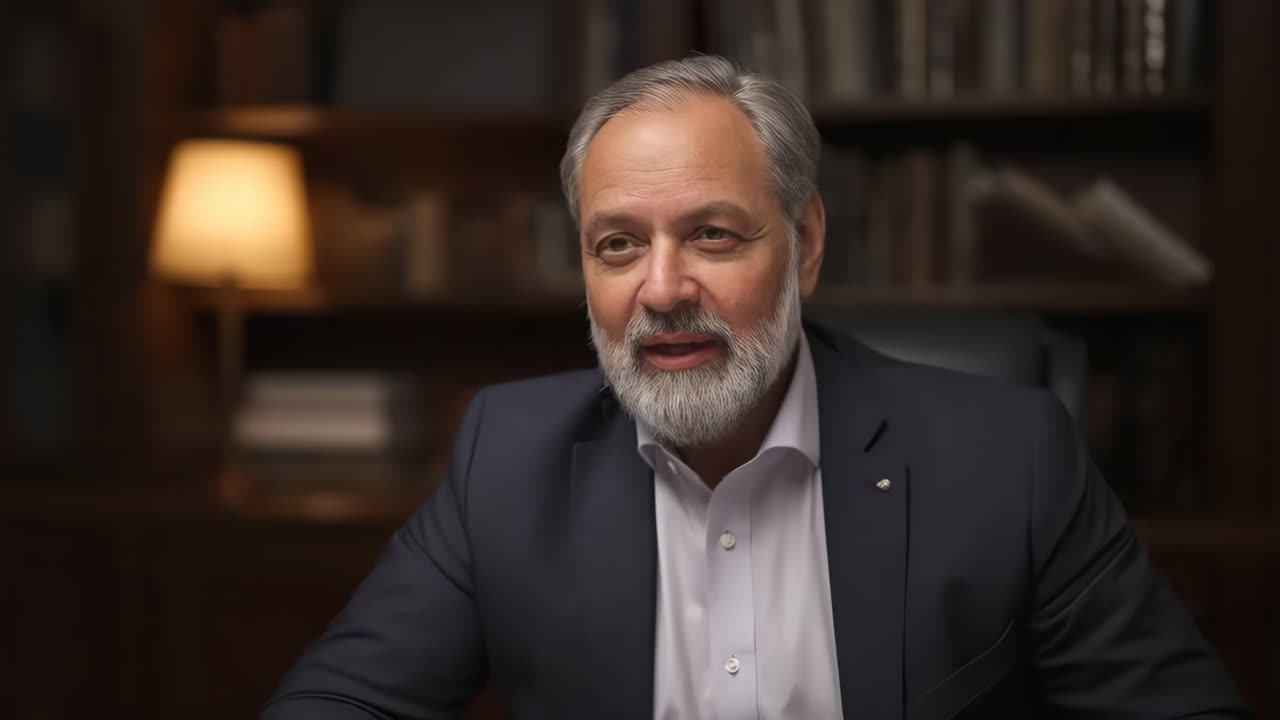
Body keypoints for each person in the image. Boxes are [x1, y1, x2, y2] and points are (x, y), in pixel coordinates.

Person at [263, 56, 1249, 719]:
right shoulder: (507, 459)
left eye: (711, 235)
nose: (660, 289)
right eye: (617, 246)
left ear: (804, 244)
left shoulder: (1006, 462)